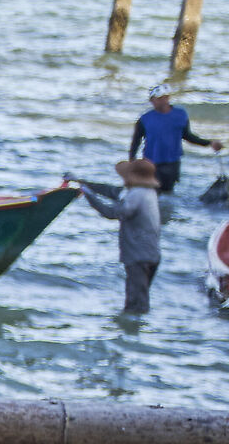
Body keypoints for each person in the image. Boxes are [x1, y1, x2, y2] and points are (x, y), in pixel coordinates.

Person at [74, 158, 165, 314]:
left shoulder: (136, 194)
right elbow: (111, 192)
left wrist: (87, 194)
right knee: (140, 300)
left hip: (138, 256)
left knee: (135, 306)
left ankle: (132, 333)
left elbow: (111, 212)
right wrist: (84, 183)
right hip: (150, 254)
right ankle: (139, 333)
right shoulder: (147, 192)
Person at [130, 84, 218, 195]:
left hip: (172, 164)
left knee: (167, 195)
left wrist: (209, 143)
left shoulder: (180, 115)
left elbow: (188, 136)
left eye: (163, 98)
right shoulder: (145, 119)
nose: (158, 101)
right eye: (154, 99)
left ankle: (167, 212)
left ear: (167, 98)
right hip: (150, 164)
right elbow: (135, 142)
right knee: (151, 194)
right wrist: (132, 161)